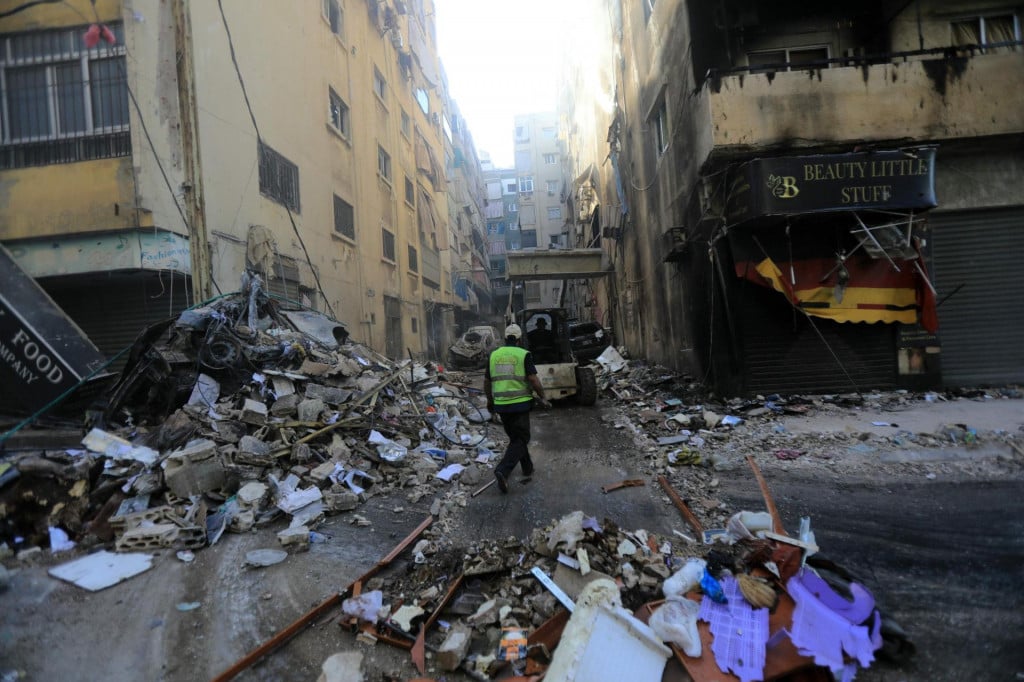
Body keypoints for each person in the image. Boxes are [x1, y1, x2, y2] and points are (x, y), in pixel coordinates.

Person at [484, 323, 551, 493]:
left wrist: (490, 401)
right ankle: (503, 471)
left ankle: (527, 467)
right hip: (520, 404)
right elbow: (533, 379)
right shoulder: (523, 354)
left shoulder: (494, 355)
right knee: (521, 439)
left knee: (516, 438)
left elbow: (487, 381)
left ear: (506, 338)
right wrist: (543, 397)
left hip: (501, 406)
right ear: (519, 339)